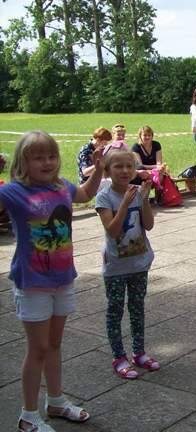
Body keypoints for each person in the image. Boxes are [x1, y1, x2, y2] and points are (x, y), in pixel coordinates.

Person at [0, 131, 102, 431]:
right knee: (38, 349)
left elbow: (85, 194)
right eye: (38, 157)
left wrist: (98, 170)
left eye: (51, 156)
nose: (47, 162)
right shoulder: (13, 192)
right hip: (32, 283)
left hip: (63, 278)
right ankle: (28, 415)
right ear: (23, 162)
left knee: (54, 344)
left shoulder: (61, 186)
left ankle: (56, 401)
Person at [95, 151, 159, 380]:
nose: (124, 171)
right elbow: (112, 231)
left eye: (129, 166)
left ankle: (139, 353)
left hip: (139, 263)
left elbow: (148, 225)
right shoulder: (104, 197)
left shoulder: (138, 192)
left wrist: (144, 199)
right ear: (108, 170)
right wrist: (124, 204)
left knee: (137, 309)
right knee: (115, 311)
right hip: (115, 266)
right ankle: (118, 357)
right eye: (118, 166)